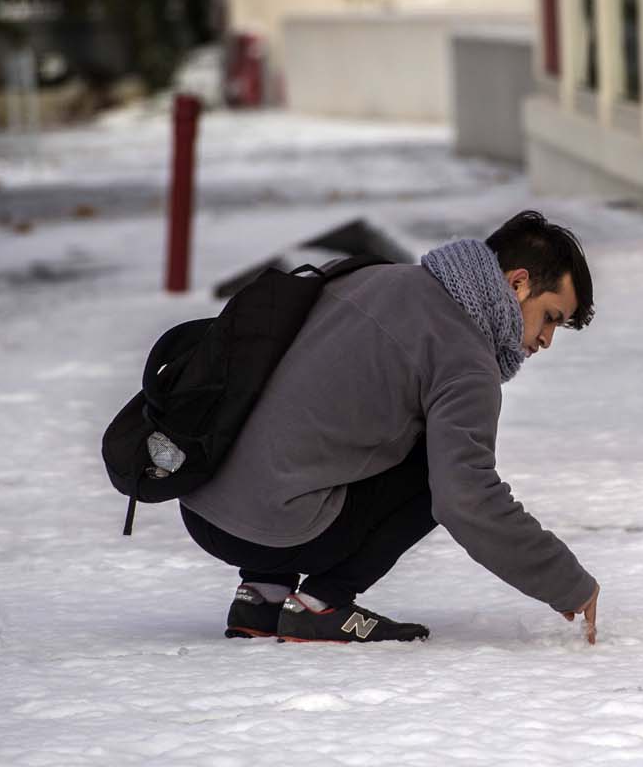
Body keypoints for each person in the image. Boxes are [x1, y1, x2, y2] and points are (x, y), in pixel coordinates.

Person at [178, 211, 600, 645]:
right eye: (550, 317)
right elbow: (468, 499)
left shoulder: (372, 276)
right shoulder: (466, 358)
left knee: (326, 422)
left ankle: (262, 595)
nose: (547, 339)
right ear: (518, 284)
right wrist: (567, 582)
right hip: (272, 529)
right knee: (442, 470)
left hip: (202, 502)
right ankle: (322, 604)